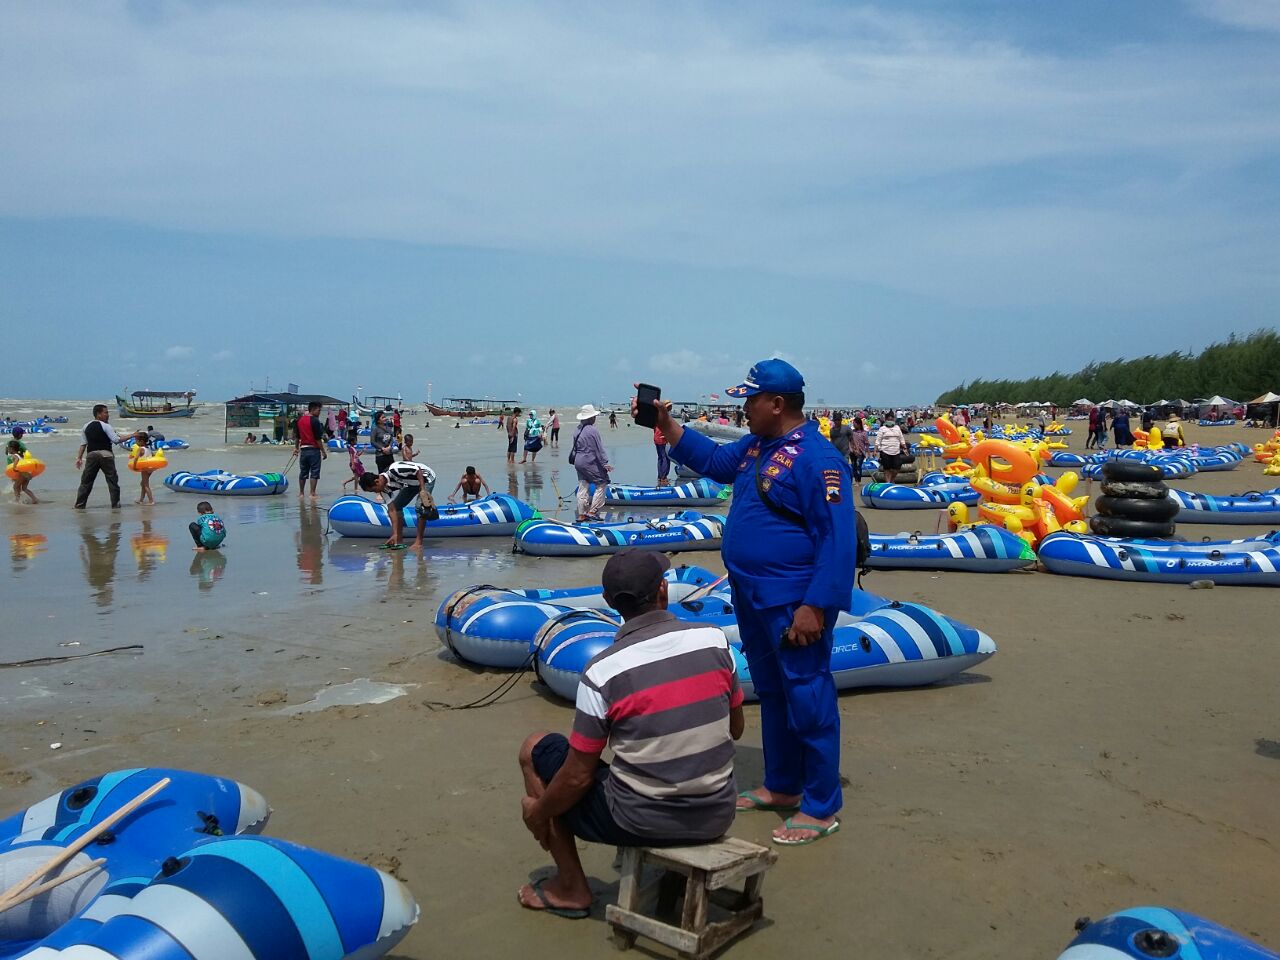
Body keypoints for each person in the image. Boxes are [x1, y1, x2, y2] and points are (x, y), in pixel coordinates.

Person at [637, 358, 854, 845]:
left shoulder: (818, 459)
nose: (743, 408)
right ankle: (782, 785)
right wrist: (667, 423)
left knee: (808, 695)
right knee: (774, 693)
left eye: (750, 400)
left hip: (792, 600)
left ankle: (822, 806)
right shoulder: (758, 445)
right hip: (752, 594)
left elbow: (835, 540)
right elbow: (714, 463)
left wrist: (815, 606)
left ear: (777, 404)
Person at [516, 549, 744, 918]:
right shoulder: (716, 641)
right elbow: (735, 728)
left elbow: (576, 778)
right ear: (663, 591)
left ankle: (572, 888)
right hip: (717, 812)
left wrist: (537, 811)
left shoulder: (603, 671)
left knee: (536, 749)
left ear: (609, 603)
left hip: (639, 819)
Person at [358, 459, 439, 550]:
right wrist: (395, 533)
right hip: (409, 484)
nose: (375, 492)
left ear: (377, 482)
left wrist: (423, 490)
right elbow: (392, 510)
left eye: (373, 490)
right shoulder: (384, 489)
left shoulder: (395, 470)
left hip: (425, 478)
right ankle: (398, 539)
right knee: (397, 507)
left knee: (420, 506)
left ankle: (419, 542)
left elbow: (417, 470)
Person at [75, 403, 127, 509]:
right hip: (106, 455)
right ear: (98, 414)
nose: (108, 415)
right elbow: (116, 440)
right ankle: (115, 505)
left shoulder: (86, 426)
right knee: (112, 481)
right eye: (106, 412)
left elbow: (83, 444)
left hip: (91, 455)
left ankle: (79, 505)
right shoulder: (106, 426)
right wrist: (133, 435)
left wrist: (79, 458)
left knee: (86, 482)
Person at [569, 404, 612, 521]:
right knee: (602, 483)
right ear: (590, 418)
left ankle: (581, 514)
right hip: (589, 461)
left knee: (583, 486)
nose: (595, 418)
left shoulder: (577, 429)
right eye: (594, 416)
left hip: (578, 461)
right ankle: (593, 511)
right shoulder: (593, 431)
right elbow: (598, 449)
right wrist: (605, 463)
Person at [293, 400, 328, 499]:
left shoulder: (300, 420)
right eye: (318, 410)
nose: (319, 412)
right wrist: (323, 451)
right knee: (314, 472)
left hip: (303, 450)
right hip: (313, 450)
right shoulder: (315, 421)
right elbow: (318, 439)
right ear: (313, 409)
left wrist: (296, 448)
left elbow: (297, 437)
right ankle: (312, 493)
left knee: (303, 472)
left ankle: (301, 493)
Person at [875, 417, 909, 484]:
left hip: (896, 451)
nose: (890, 421)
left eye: (891, 420)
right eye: (889, 420)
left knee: (896, 467)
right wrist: (875, 450)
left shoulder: (897, 428)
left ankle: (892, 478)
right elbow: (878, 440)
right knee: (887, 468)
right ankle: (888, 482)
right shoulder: (882, 429)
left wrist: (905, 447)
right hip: (885, 450)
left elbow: (901, 438)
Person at [129, 431, 156, 505]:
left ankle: (151, 501)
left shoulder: (140, 449)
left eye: (136, 440)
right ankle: (141, 500)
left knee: (146, 485)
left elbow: (136, 458)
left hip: (144, 468)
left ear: (141, 441)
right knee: (142, 483)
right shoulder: (148, 449)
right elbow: (153, 456)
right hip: (150, 468)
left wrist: (134, 467)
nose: (136, 442)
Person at [371, 410, 396, 475]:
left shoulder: (388, 428)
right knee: (382, 474)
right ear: (378, 420)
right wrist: (382, 448)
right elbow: (372, 442)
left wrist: (390, 446)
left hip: (389, 454)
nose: (385, 418)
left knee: (392, 473)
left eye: (385, 417)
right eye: (383, 417)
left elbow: (391, 439)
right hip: (380, 455)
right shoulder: (375, 429)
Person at [849, 417, 869, 482]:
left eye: (854, 423)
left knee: (858, 466)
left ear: (859, 424)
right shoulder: (852, 432)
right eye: (853, 423)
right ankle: (855, 480)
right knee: (853, 466)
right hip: (852, 452)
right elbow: (849, 442)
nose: (853, 425)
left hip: (861, 453)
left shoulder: (864, 433)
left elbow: (866, 443)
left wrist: (867, 453)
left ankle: (858, 481)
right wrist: (851, 449)